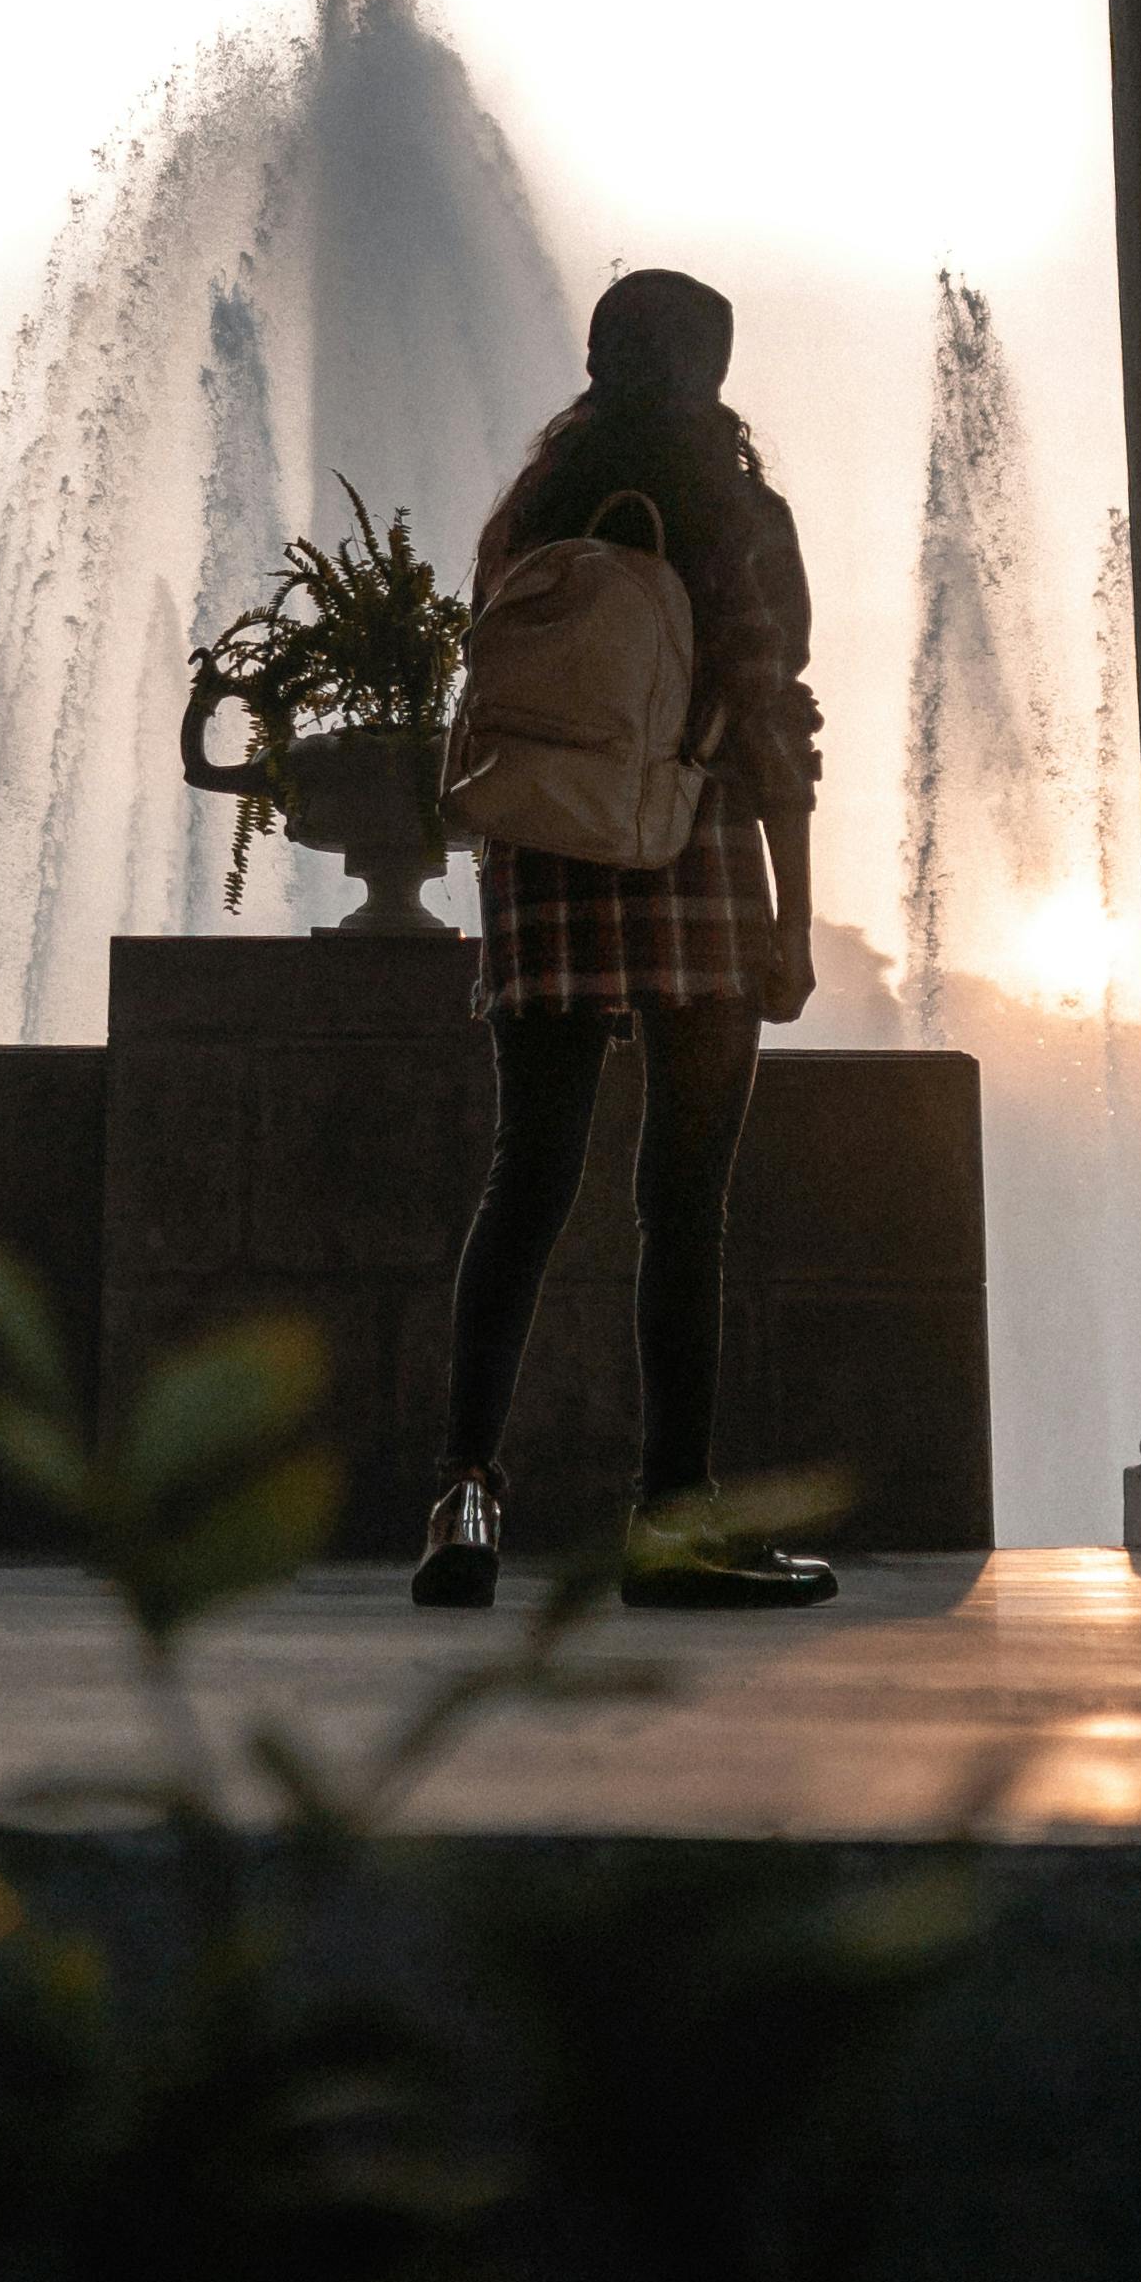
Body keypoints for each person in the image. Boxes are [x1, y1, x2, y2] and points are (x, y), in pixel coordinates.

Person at [413, 269, 841, 1611]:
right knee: (682, 1198)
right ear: (707, 364)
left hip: (539, 865)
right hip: (691, 857)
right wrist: (790, 914)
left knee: (522, 1183)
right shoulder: (733, 512)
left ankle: (464, 1490)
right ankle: (670, 1517)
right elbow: (772, 722)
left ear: (598, 357)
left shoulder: (528, 510)